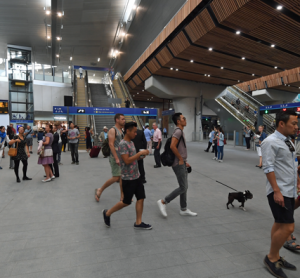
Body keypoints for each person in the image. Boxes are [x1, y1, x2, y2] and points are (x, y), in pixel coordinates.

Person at [261, 111, 300, 278]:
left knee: (279, 223)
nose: (297, 127)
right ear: (281, 124)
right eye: (294, 123)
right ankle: (271, 258)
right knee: (288, 227)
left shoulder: (288, 141)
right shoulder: (270, 142)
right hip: (279, 191)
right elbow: (268, 167)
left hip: (288, 189)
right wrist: (276, 191)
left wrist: (297, 182)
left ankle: (275, 256)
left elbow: (291, 164)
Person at [102, 122, 151, 229]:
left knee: (141, 198)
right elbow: (127, 160)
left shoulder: (131, 143)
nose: (136, 133)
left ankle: (138, 222)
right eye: (134, 131)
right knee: (126, 202)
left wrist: (140, 156)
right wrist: (138, 154)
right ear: (127, 131)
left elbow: (133, 158)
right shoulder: (123, 144)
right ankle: (107, 213)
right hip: (128, 178)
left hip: (136, 176)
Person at [157, 113, 197, 217]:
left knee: (184, 186)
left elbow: (179, 148)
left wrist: (184, 160)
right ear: (178, 121)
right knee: (183, 187)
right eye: (184, 118)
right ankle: (163, 201)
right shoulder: (178, 132)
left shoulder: (180, 131)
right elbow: (172, 146)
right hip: (178, 163)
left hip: (181, 162)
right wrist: (180, 159)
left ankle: (183, 209)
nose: (185, 120)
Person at [95, 114, 125, 202]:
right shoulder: (113, 130)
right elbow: (111, 144)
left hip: (121, 156)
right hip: (115, 156)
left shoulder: (121, 130)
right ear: (117, 120)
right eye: (122, 119)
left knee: (122, 177)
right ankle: (100, 190)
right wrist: (116, 158)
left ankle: (122, 196)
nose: (124, 120)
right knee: (116, 177)